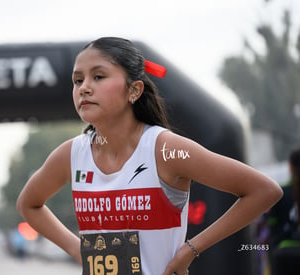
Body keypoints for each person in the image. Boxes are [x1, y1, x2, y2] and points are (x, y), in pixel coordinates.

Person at [16, 37, 283, 275]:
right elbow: (28, 204)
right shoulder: (71, 154)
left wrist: (190, 250)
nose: (84, 87)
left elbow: (264, 190)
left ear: (134, 90)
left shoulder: (164, 150)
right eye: (78, 80)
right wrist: (78, 250)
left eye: (98, 77)